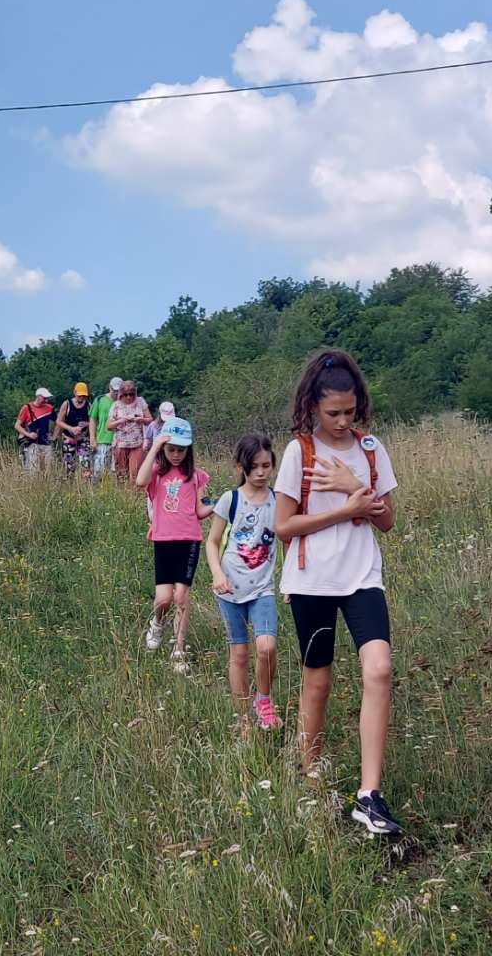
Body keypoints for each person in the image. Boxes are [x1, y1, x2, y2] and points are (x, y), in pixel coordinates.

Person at [273, 348, 401, 836]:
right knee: (318, 683)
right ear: (312, 407)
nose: (344, 421)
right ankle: (309, 779)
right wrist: (346, 509)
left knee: (380, 668)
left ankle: (370, 795)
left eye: (350, 411)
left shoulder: (370, 449)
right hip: (313, 581)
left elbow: (387, 521)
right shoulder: (299, 452)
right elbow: (284, 526)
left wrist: (354, 484)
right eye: (334, 413)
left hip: (362, 576)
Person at [205, 434, 282, 733]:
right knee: (238, 653)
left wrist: (290, 582)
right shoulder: (230, 499)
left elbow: (288, 539)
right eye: (255, 466)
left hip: (263, 588)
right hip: (230, 588)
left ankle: (263, 701)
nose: (261, 472)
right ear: (241, 466)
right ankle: (243, 718)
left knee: (266, 647)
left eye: (266, 465)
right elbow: (212, 542)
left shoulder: (278, 501)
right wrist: (217, 574)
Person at [136, 417, 212, 674]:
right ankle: (157, 624)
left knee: (181, 596)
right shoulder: (157, 473)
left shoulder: (196, 476)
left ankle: (179, 650)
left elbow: (200, 510)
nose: (177, 455)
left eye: (181, 450)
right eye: (172, 449)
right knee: (163, 599)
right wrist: (155, 447)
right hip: (163, 540)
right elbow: (140, 481)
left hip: (189, 541)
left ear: (189, 449)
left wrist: (220, 504)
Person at [107, 380, 151, 487]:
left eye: (131, 394)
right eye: (126, 394)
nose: (128, 397)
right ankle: (123, 494)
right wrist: (120, 421)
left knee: (135, 473)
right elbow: (109, 426)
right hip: (121, 444)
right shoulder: (116, 405)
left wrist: (141, 419)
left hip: (137, 443)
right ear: (121, 394)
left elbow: (150, 420)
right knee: (121, 474)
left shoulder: (140, 402)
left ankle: (134, 493)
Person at [56, 382, 94, 480]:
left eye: (83, 396)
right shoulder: (67, 404)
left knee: (85, 463)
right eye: (79, 395)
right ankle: (70, 483)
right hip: (68, 439)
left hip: (83, 439)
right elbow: (59, 421)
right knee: (69, 465)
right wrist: (71, 428)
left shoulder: (89, 405)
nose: (81, 398)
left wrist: (86, 424)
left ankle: (86, 484)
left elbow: (93, 422)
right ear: (75, 393)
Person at [15, 388, 56, 474]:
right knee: (33, 469)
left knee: (48, 470)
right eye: (44, 398)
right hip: (32, 443)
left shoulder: (49, 408)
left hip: (46, 442)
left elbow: (58, 421)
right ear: (38, 397)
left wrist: (54, 436)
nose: (46, 400)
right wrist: (28, 434)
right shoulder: (27, 408)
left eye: (47, 398)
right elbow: (17, 425)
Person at [90, 377, 121, 481]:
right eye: (114, 390)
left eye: (118, 391)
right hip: (102, 439)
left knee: (116, 472)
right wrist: (92, 438)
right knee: (98, 471)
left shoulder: (125, 401)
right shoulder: (100, 399)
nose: (116, 393)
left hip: (119, 441)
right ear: (110, 387)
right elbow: (93, 419)